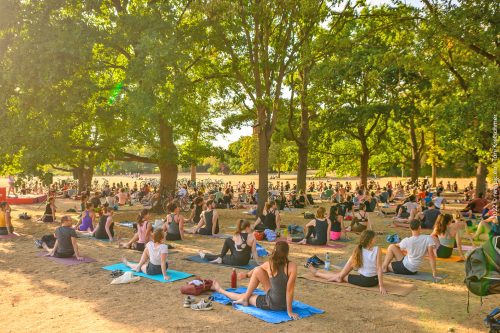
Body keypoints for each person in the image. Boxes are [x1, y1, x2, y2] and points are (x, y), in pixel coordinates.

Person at [211, 241, 299, 320]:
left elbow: (289, 290)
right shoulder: (292, 266)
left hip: (272, 303)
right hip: (283, 303)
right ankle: (245, 298)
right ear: (286, 253)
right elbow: (289, 290)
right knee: (258, 270)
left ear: (274, 252)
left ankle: (221, 290)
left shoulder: (270, 264)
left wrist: (289, 312)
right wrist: (289, 310)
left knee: (242, 295)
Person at [308, 230, 386, 294]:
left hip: (365, 281)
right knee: (345, 269)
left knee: (339, 275)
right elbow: (379, 268)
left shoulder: (359, 250)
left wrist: (381, 286)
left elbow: (378, 268)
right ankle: (339, 276)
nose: (376, 239)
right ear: (370, 240)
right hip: (375, 280)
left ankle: (317, 274)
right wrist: (381, 285)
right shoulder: (377, 249)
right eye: (375, 238)